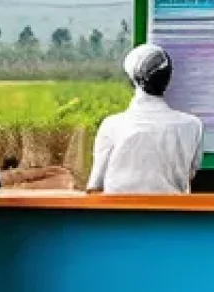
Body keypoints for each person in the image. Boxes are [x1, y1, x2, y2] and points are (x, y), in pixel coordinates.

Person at [87, 42, 204, 195]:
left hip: (118, 216)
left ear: (131, 81)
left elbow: (96, 185)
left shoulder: (112, 126)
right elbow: (190, 174)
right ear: (168, 79)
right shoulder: (193, 126)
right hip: (172, 215)